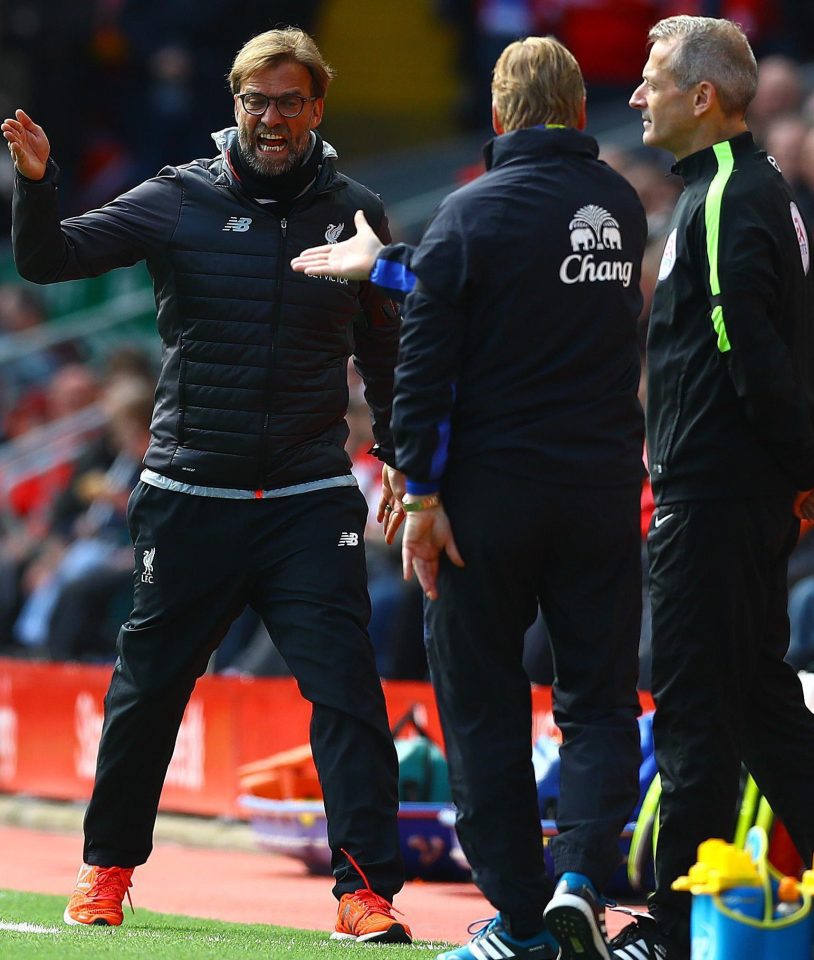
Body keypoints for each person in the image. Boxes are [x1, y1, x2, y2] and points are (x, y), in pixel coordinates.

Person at [2, 26, 413, 943]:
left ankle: (364, 893)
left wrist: (399, 457)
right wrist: (37, 183)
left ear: (319, 105)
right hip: (190, 490)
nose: (272, 118)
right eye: (256, 100)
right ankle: (107, 871)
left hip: (308, 499)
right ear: (234, 104)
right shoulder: (175, 197)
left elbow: (386, 356)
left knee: (348, 692)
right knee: (148, 691)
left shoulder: (359, 210)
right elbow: (48, 260)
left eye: (290, 100)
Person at [294, 35, 647, 960]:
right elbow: (512, 281)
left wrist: (417, 497)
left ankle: (522, 923)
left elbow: (426, 368)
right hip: (605, 490)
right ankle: (579, 877)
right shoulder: (620, 204)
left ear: (497, 114)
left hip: (490, 502)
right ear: (578, 112)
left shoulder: (469, 212)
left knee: (485, 702)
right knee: (600, 701)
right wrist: (390, 262)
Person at [610, 16, 814, 960]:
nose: (636, 95)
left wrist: (792, 471)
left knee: (695, 704)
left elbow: (751, 356)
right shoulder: (749, 190)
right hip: (740, 494)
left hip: (715, 496)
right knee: (762, 704)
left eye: (652, 80)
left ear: (703, 97)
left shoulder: (730, 195)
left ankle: (672, 929)